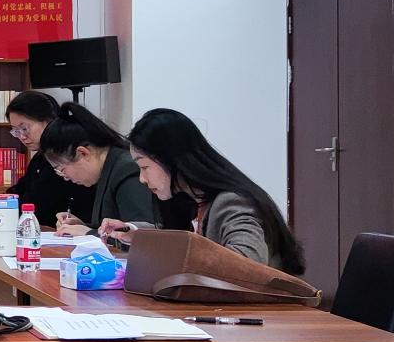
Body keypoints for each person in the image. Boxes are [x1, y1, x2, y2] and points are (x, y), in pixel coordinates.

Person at [100, 108, 306, 275]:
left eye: (144, 167)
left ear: (170, 159)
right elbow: (179, 237)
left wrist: (181, 253)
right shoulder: (192, 201)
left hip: (263, 311)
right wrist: (136, 234)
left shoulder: (232, 202)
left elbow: (249, 265)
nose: (142, 179)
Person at [38, 103, 158, 236]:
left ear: (83, 153)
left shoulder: (126, 170)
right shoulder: (108, 167)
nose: (65, 177)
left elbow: (140, 234)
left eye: (61, 169)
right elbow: (114, 226)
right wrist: (82, 226)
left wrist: (89, 233)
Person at [4, 90, 94, 230]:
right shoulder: (40, 157)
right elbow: (18, 190)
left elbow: (34, 206)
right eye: (16, 131)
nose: (22, 136)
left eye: (24, 128)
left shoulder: (63, 158)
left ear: (49, 120)